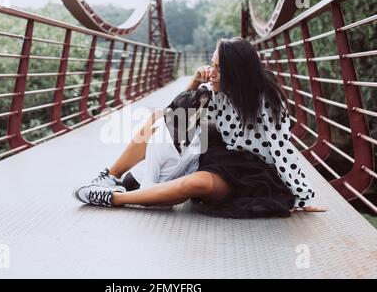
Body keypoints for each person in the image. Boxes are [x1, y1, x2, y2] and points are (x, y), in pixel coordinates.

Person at [73, 37, 327, 216]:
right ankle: (109, 177)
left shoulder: (267, 102)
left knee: (197, 185)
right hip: (219, 152)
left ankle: (113, 198)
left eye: (219, 68)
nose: (212, 72)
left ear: (237, 72)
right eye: (212, 64)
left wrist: (301, 196)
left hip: (252, 172)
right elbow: (175, 116)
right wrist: (194, 83)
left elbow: (282, 151)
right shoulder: (215, 90)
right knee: (157, 119)